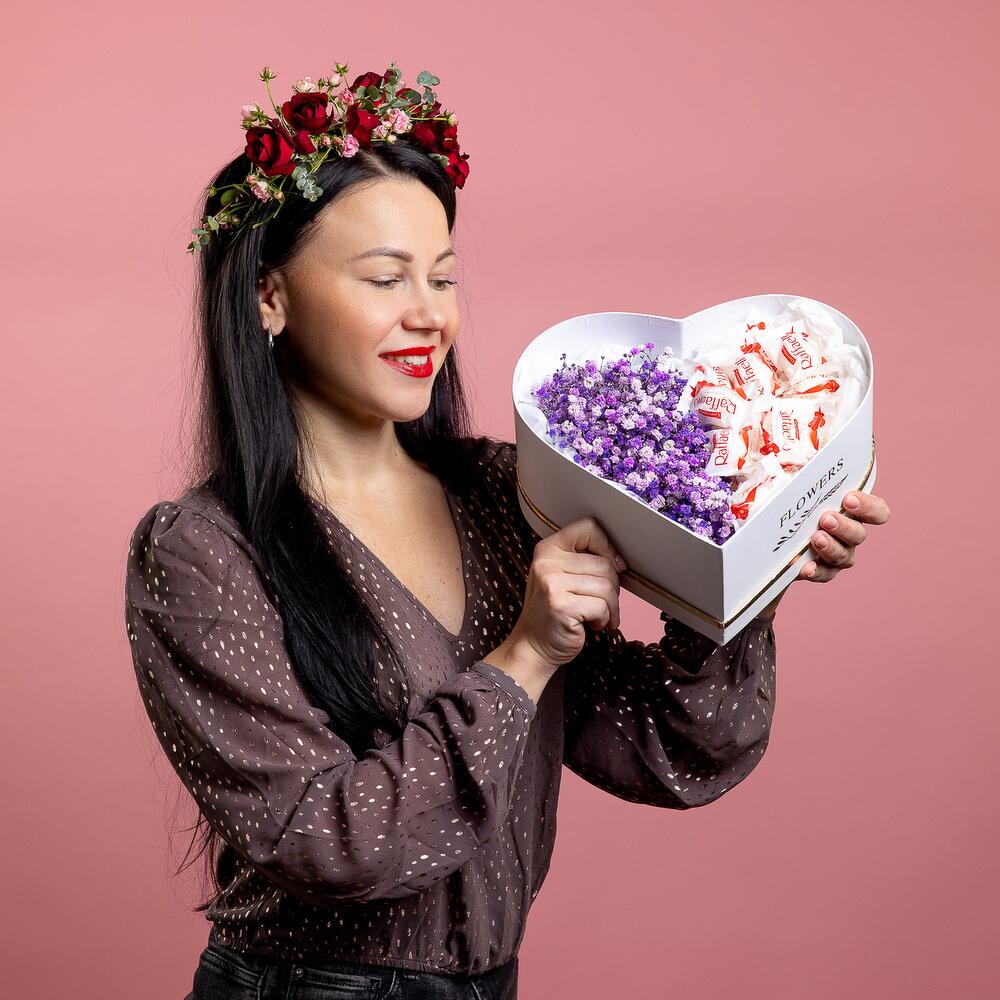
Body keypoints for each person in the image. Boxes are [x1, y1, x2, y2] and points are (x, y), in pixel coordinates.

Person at [123, 63, 890, 1000]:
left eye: (443, 277)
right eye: (385, 278)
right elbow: (323, 844)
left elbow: (672, 750)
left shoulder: (503, 493)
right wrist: (524, 656)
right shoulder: (201, 551)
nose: (429, 315)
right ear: (269, 297)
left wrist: (751, 562)